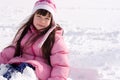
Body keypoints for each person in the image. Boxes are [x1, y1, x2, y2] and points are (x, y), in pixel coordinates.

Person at [0, 0, 70, 80]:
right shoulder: (25, 32)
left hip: (40, 70)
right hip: (20, 63)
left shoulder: (55, 39)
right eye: (39, 17)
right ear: (33, 16)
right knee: (8, 69)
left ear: (51, 21)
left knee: (21, 71)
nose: (42, 21)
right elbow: (13, 49)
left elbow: (60, 65)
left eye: (46, 18)